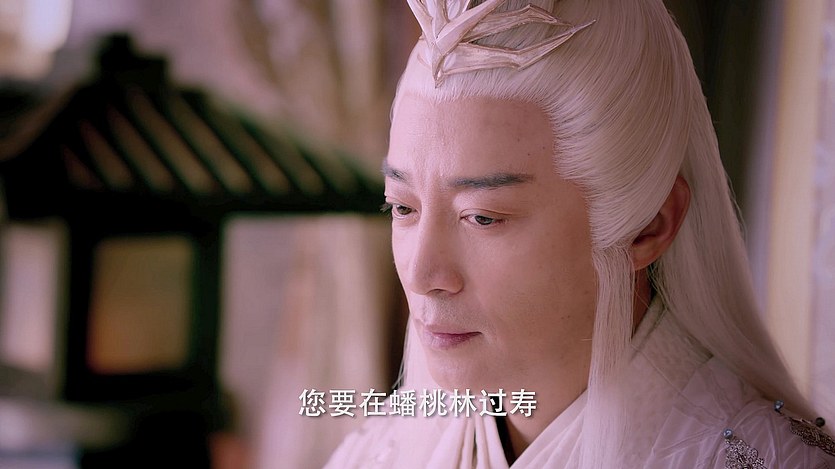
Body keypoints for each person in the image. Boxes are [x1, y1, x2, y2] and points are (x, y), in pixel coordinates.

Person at [326, 0, 835, 467]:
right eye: (403, 207)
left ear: (648, 227)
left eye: (482, 217)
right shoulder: (374, 454)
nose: (421, 274)